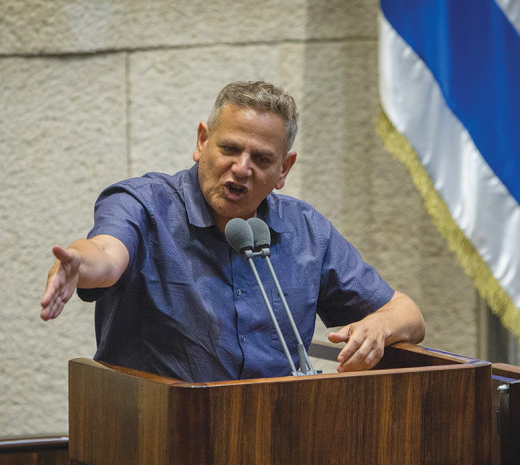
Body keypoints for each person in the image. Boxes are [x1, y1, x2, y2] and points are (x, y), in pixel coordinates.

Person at [40, 80, 424, 382]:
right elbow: (105, 255)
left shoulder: (306, 231)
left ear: (284, 170)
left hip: (273, 437)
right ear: (202, 141)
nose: (241, 168)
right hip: (158, 436)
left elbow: (408, 313)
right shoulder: (144, 203)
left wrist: (380, 325)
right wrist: (77, 263)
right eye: (229, 149)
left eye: (260, 159)